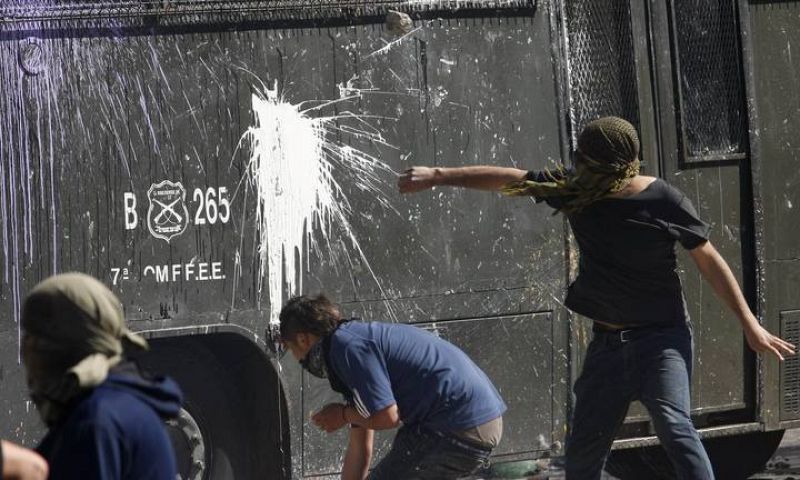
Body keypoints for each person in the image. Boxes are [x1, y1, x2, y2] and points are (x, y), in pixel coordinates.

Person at [397, 116, 796, 480]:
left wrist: (749, 323)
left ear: (611, 166)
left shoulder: (663, 201)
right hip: (607, 347)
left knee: (674, 425)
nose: (577, 167)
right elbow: (509, 179)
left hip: (662, 341)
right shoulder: (577, 190)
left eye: (584, 161)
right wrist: (437, 175)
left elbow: (710, 261)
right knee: (584, 451)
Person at [279, 294, 506, 480]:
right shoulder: (348, 348)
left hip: (457, 425)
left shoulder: (346, 348)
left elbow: (388, 417)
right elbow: (360, 449)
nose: (298, 360)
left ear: (303, 340)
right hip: (473, 424)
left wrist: (342, 415)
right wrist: (348, 415)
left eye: (291, 349)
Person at [20, 272, 183, 480]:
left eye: (33, 339)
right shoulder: (122, 402)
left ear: (58, 348)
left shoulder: (98, 421)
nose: (27, 353)